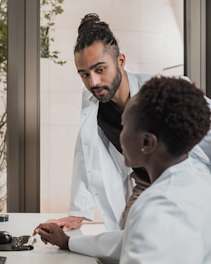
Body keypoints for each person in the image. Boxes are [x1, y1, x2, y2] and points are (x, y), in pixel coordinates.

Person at [48, 13, 211, 232]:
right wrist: (78, 212)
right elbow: (84, 151)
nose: (93, 82)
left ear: (120, 61)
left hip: (183, 181)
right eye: (84, 74)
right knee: (128, 236)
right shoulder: (93, 103)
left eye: (100, 69)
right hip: (144, 182)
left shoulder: (157, 91)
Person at [34, 76, 211, 263]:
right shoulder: (198, 181)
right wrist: (67, 242)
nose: (119, 137)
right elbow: (128, 238)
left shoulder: (158, 208)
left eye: (124, 127)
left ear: (147, 142)